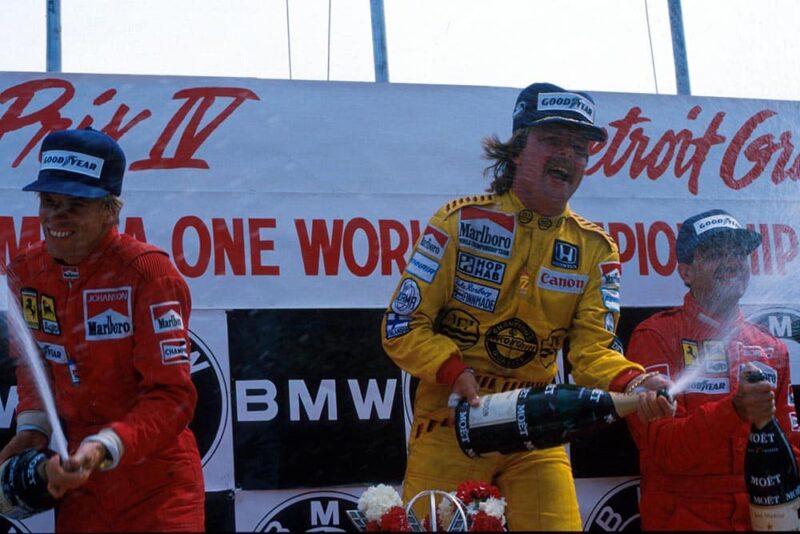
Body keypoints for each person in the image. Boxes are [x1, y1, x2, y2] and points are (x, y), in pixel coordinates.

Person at [381, 82, 674, 531]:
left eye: (580, 148)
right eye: (552, 141)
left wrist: (636, 381)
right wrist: (452, 369)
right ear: (517, 148)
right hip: (448, 422)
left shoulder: (596, 248)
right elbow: (402, 325)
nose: (567, 157)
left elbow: (592, 352)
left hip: (538, 427)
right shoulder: (459, 221)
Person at [1, 128, 205, 531]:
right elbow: (32, 368)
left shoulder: (149, 273)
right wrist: (32, 430)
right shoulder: (25, 272)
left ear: (112, 210)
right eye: (48, 201)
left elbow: (173, 396)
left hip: (157, 490)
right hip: (79, 487)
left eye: (75, 205)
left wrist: (105, 445)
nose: (56, 216)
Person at [626, 209, 800, 530]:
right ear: (686, 272)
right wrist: (733, 410)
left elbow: (794, 450)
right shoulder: (656, 337)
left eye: (738, 253)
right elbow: (665, 450)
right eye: (716, 254)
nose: (731, 262)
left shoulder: (771, 348)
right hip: (685, 514)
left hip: (762, 516)